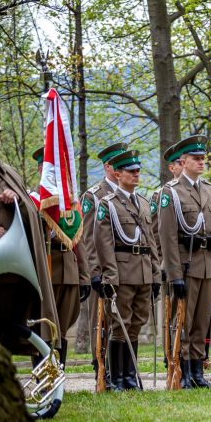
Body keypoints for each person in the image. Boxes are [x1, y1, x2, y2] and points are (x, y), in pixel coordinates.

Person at [0, 113, 59, 353]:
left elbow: (31, 213)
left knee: (5, 331)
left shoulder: (7, 172)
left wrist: (16, 200)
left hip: (8, 272)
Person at [157, 134, 211, 388]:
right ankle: (182, 370)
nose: (201, 162)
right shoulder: (171, 193)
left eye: (203, 158)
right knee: (182, 321)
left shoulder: (210, 191)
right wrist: (174, 274)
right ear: (183, 161)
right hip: (186, 266)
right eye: (196, 158)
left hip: (208, 265)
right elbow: (167, 237)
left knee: (201, 322)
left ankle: (198, 372)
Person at [93, 149, 160, 390]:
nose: (136, 174)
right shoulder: (107, 204)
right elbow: (104, 243)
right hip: (121, 272)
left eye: (137, 171)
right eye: (131, 171)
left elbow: (150, 241)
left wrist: (155, 273)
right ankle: (117, 376)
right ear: (118, 174)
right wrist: (110, 275)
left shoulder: (142, 202)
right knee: (120, 325)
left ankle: (130, 376)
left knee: (136, 323)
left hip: (142, 270)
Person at [31, 147, 89, 364]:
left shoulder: (70, 203)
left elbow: (78, 243)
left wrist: (84, 277)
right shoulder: (34, 200)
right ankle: (44, 374)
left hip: (69, 271)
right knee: (45, 327)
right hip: (47, 271)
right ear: (42, 170)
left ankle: (59, 374)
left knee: (63, 327)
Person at [82, 142, 127, 375]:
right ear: (108, 166)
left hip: (125, 267)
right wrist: (95, 272)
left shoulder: (127, 194)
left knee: (122, 319)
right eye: (119, 164)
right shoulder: (94, 196)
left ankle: (119, 368)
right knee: (102, 320)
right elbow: (88, 238)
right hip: (102, 268)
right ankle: (100, 365)